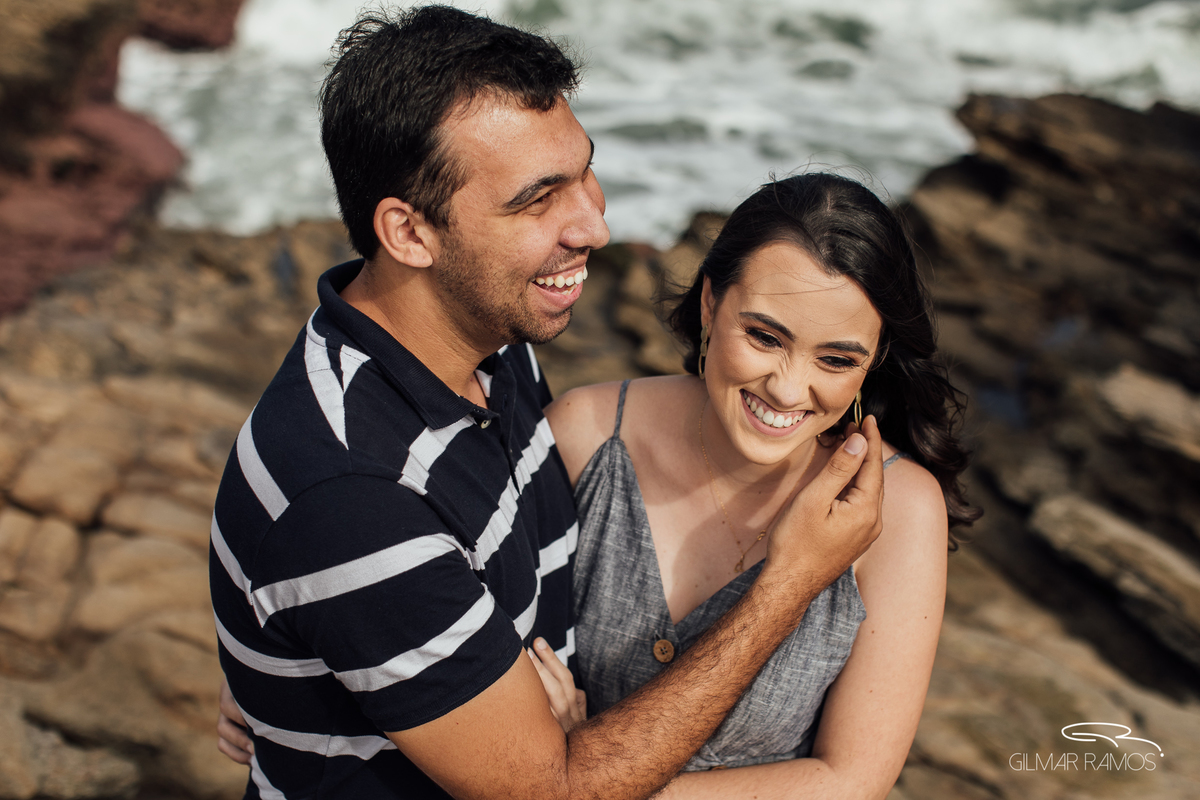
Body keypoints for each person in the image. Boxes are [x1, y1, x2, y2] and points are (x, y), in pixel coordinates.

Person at [210, 6, 884, 800]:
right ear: (409, 232)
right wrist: (789, 582)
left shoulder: (494, 346)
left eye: (582, 171)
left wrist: (308, 656)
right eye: (538, 199)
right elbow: (552, 793)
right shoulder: (353, 498)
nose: (594, 223)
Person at [532, 173, 980, 797]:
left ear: (874, 358)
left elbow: (849, 781)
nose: (790, 390)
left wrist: (588, 777)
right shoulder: (583, 436)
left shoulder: (900, 510)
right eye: (765, 337)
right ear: (712, 304)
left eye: (837, 359)